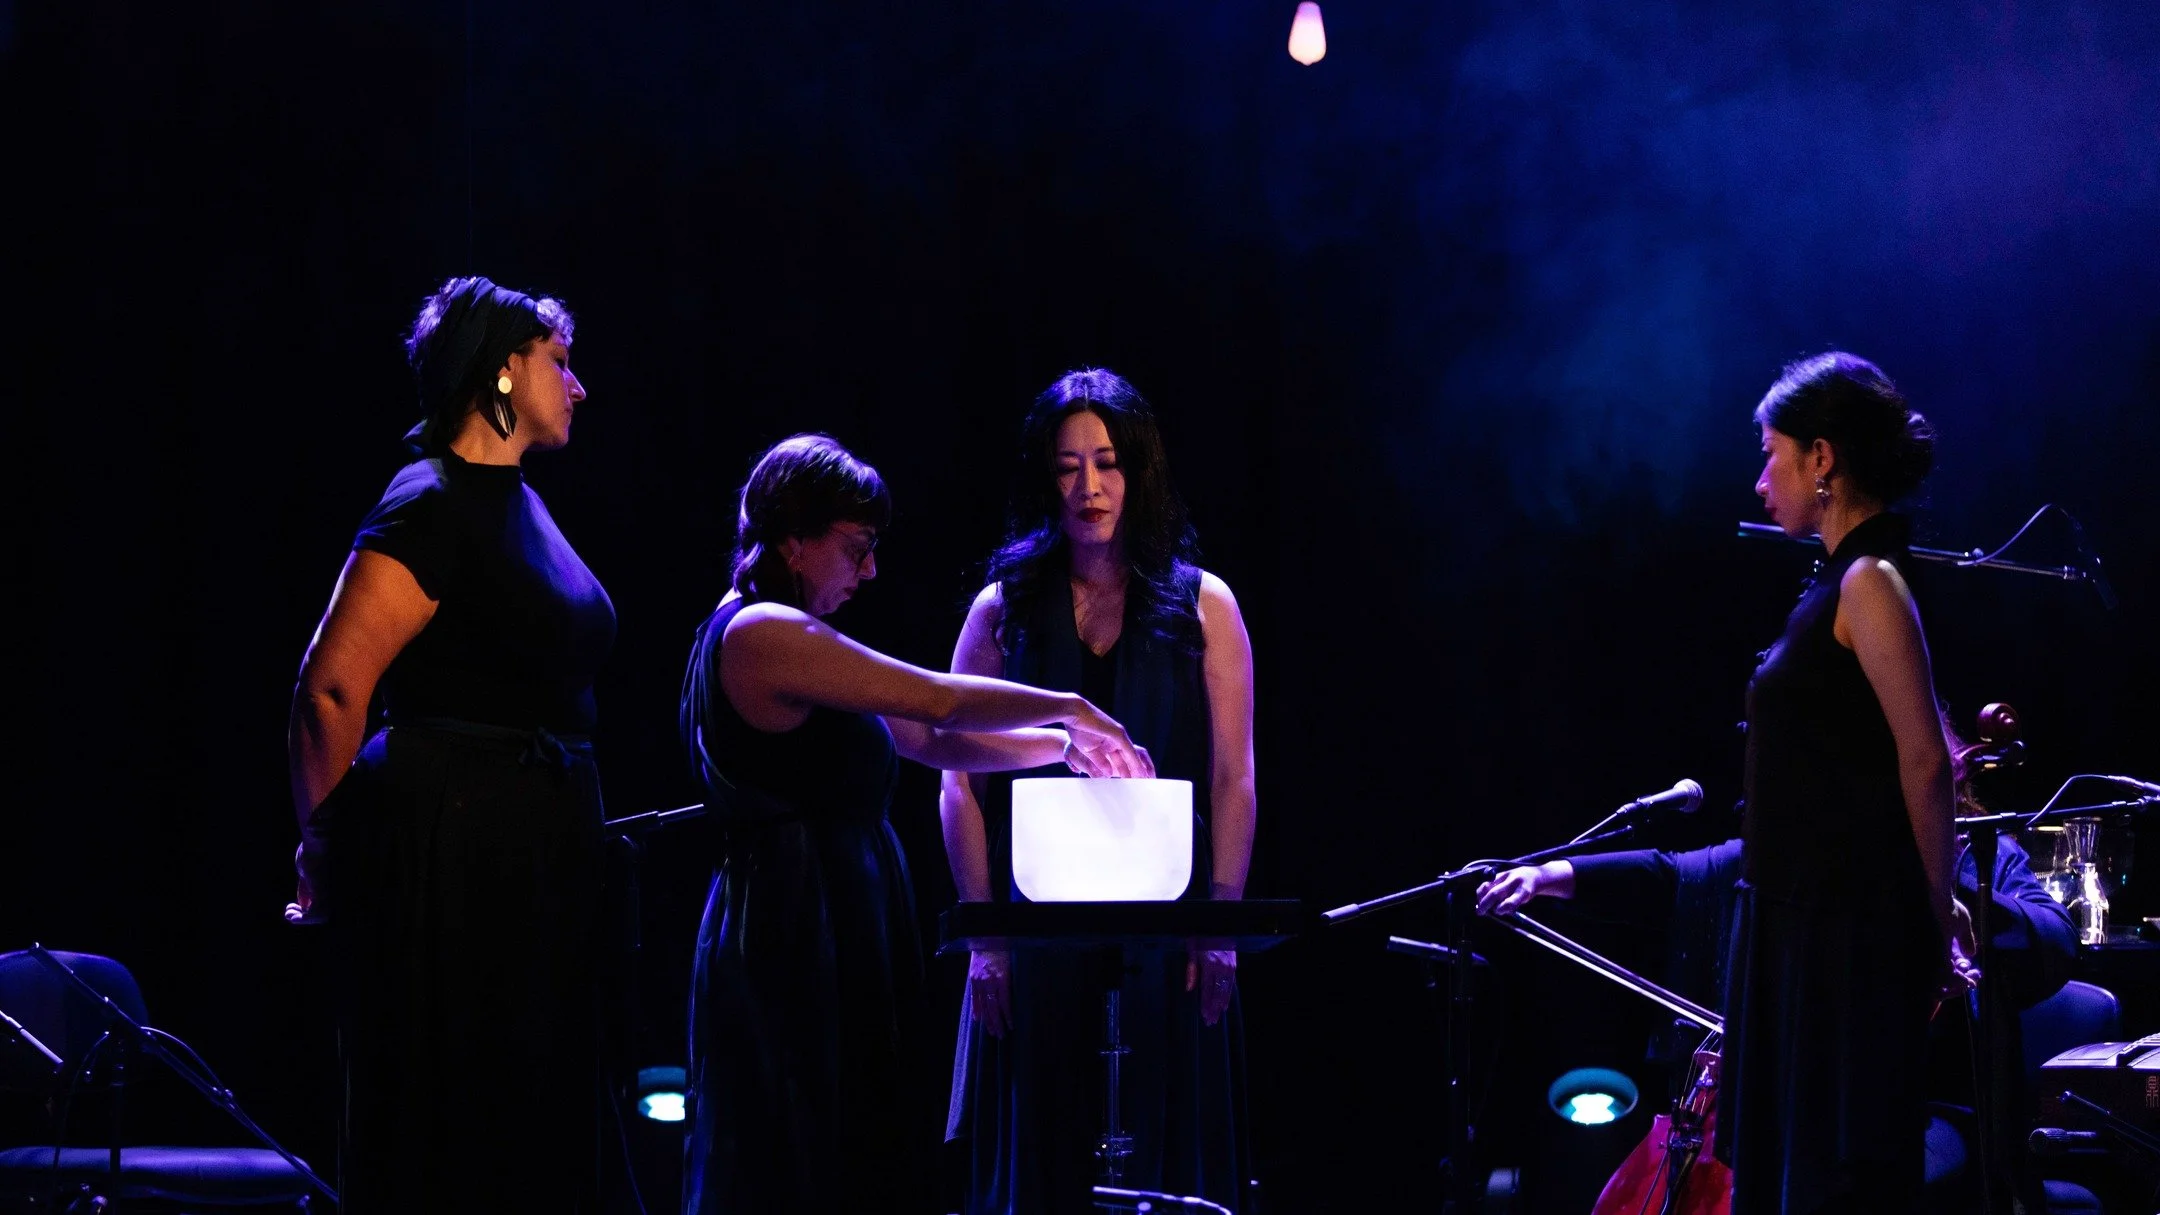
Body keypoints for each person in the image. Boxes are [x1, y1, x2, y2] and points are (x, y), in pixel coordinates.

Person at [678, 433, 1153, 1215]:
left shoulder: (794, 636)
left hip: (828, 917)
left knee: (854, 1142)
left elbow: (931, 740)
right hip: (792, 928)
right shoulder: (761, 633)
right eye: (856, 548)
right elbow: (937, 698)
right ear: (794, 542)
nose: (869, 571)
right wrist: (1072, 706)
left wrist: (1066, 747)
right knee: (793, 1148)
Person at [285, 277, 619, 1211]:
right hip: (458, 854)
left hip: (531, 852)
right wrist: (328, 850)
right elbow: (332, 687)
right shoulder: (431, 496)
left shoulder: (517, 502)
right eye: (560, 361)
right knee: (462, 1117)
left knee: (531, 1121)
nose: (577, 386)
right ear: (505, 371)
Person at [942, 369, 1258, 1213]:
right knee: (1044, 1149)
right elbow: (957, 781)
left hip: (1171, 929)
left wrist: (1219, 927)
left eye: (1108, 462)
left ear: (1139, 471)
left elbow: (1234, 777)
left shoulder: (1205, 605)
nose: (1089, 487)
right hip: (1035, 934)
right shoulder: (1001, 608)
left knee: (1166, 1153)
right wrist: (987, 939)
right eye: (1068, 465)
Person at [1730, 350, 1958, 1212]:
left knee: (1836, 1180)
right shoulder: (1836, 584)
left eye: (1770, 452)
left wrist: (1936, 921)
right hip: (1796, 927)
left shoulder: (1871, 582)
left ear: (1822, 457)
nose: (1761, 481)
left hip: (1846, 939)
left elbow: (1927, 759)